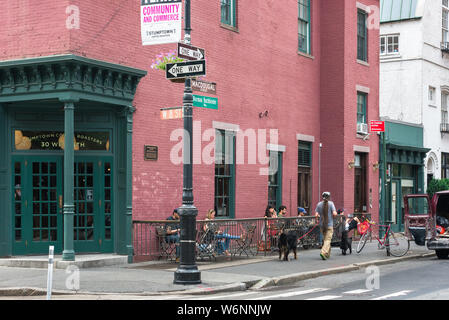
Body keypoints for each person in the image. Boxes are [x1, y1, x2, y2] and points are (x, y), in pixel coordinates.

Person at [315, 191, 337, 260]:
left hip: (322, 225)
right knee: (328, 240)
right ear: (329, 197)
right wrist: (333, 217)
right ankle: (323, 252)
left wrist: (318, 219)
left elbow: (316, 215)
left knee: (326, 240)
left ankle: (327, 254)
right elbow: (334, 213)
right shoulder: (331, 203)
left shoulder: (319, 204)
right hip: (329, 225)